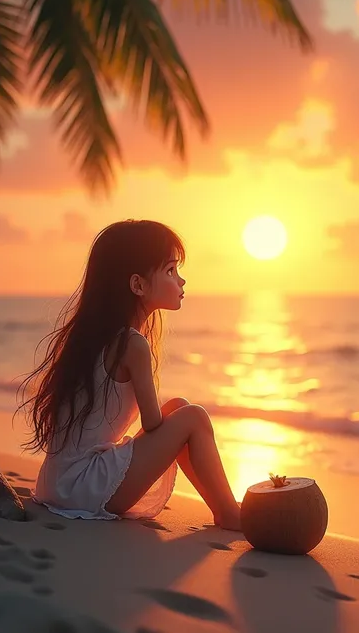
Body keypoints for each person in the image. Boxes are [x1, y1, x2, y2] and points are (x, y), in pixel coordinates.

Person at [18, 219, 242, 530]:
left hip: (58, 484)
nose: (181, 280)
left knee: (179, 408)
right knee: (194, 418)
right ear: (137, 285)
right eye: (170, 271)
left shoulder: (93, 336)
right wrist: (174, 434)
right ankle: (229, 512)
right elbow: (151, 423)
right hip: (83, 488)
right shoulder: (132, 344)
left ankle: (224, 505)